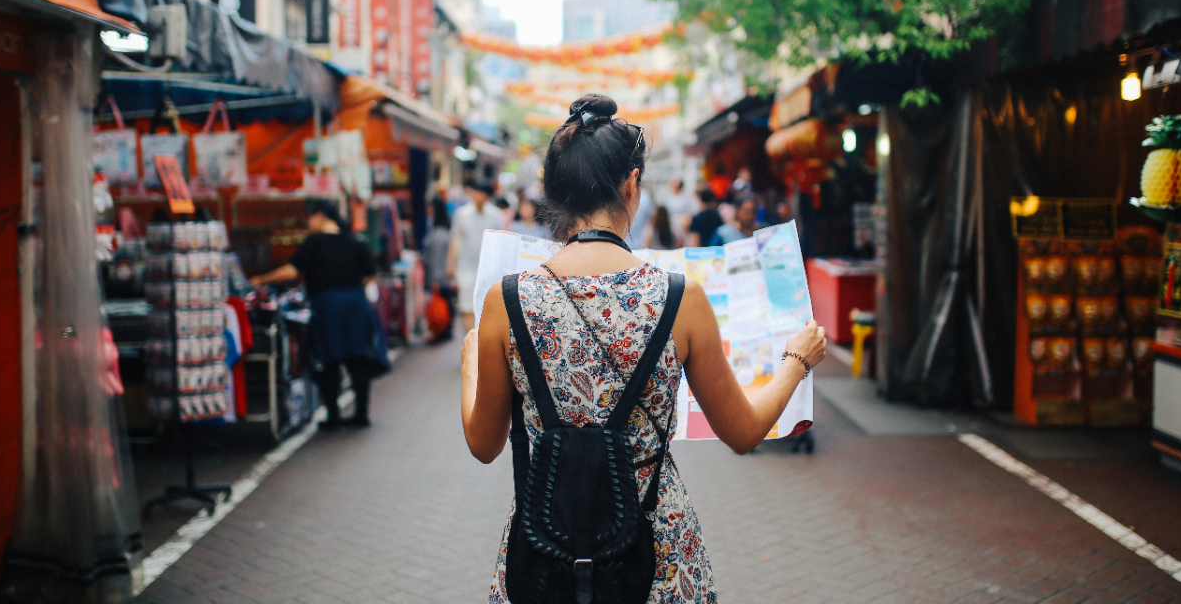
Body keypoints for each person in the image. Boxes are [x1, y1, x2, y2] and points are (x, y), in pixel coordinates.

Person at [460, 93, 828, 603]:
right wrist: (797, 360)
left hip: (545, 552)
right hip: (656, 554)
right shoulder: (681, 297)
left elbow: (484, 445)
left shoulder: (507, 300)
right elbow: (744, 432)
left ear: (555, 191)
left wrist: (469, 369)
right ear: (632, 184)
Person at [250, 199, 382, 428]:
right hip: (355, 304)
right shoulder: (354, 241)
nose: (308, 222)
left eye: (309, 217)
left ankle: (333, 417)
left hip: (328, 306)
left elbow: (292, 270)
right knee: (357, 359)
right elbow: (371, 273)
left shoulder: (314, 242)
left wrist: (260, 280)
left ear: (320, 215)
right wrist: (351, 286)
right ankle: (361, 414)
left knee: (329, 360)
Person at [448, 179, 504, 332]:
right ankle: (471, 343)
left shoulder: (496, 215)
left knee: (487, 307)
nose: (479, 196)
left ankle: (484, 343)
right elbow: (456, 239)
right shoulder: (462, 214)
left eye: (483, 194)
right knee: (467, 306)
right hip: (466, 267)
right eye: (477, 192)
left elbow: (501, 242)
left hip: (489, 268)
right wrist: (451, 264)